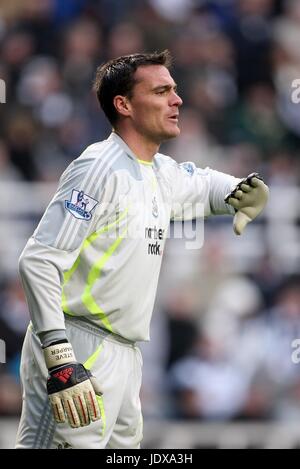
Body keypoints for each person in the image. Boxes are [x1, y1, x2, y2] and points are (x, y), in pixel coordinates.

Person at [15, 50, 269, 449]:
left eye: (176, 90)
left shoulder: (158, 172)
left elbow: (201, 185)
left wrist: (242, 191)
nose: (177, 100)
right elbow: (39, 259)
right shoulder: (99, 168)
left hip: (125, 354)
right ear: (124, 104)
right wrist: (60, 357)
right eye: (162, 91)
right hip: (77, 345)